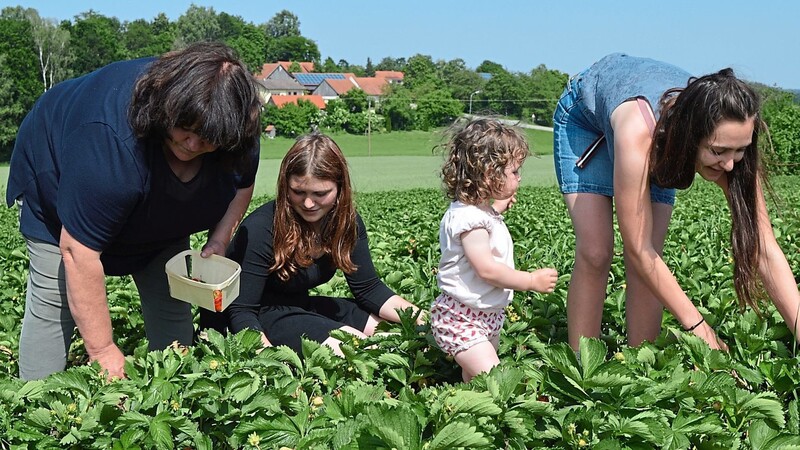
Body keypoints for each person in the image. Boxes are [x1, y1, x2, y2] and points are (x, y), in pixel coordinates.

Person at [6, 42, 262, 380]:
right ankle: (32, 404)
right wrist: (102, 350)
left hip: (153, 202)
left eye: (208, 139)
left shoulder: (235, 126)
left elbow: (243, 184)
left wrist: (219, 237)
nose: (192, 144)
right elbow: (77, 253)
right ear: (168, 107)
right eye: (186, 129)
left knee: (172, 296)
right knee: (54, 301)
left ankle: (173, 392)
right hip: (56, 180)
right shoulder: (110, 139)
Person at [553, 53, 800, 352]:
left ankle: (641, 366)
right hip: (587, 117)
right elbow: (637, 249)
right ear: (689, 136)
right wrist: (701, 331)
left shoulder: (732, 148)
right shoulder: (640, 134)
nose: (730, 165)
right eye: (719, 151)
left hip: (659, 134)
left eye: (740, 150)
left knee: (650, 257)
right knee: (596, 251)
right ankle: (583, 370)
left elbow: (763, 247)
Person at [224, 133, 423, 356]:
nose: (308, 203)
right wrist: (270, 362)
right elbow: (241, 310)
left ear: (340, 188)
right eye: (298, 192)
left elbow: (368, 289)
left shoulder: (346, 224)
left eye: (320, 193)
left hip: (303, 306)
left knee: (393, 332)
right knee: (354, 345)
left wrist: (425, 321)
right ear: (285, 185)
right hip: (262, 315)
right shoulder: (261, 228)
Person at [431, 119, 558, 382]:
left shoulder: (478, 213)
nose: (519, 177)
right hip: (462, 318)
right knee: (495, 380)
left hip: (485, 315)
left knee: (475, 378)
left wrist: (497, 209)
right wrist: (531, 280)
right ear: (490, 175)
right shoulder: (470, 222)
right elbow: (486, 269)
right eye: (514, 172)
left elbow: (484, 228)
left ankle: (468, 410)